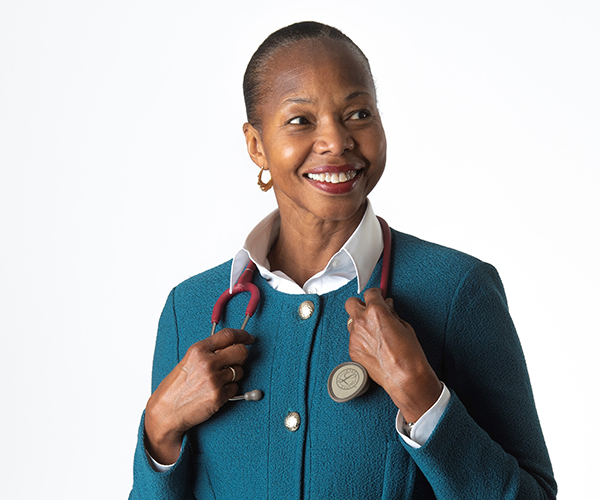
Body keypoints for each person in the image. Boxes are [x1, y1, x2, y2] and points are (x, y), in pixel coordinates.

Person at [129, 21, 556, 499]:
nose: (336, 140)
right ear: (256, 145)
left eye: (357, 113)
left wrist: (422, 397)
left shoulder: (457, 290)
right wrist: (160, 432)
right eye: (301, 120)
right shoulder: (189, 309)